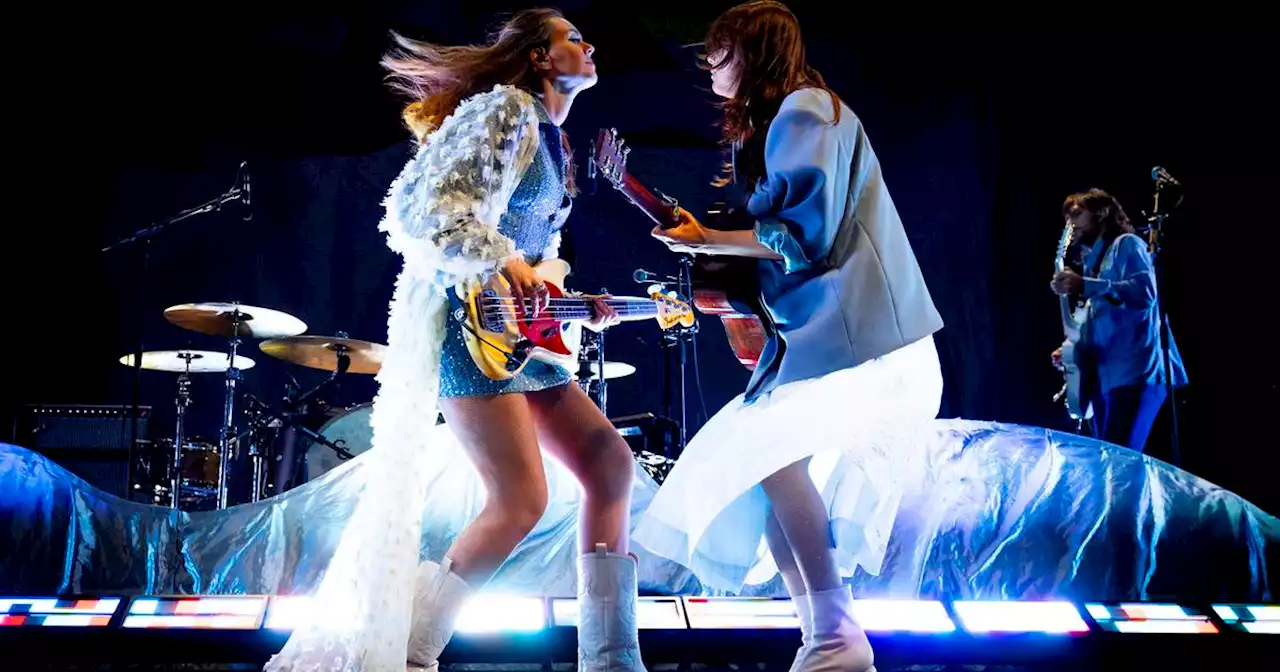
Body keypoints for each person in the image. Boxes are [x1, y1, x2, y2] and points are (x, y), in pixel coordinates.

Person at [264, 9, 647, 672]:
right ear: (537, 57)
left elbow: (535, 265)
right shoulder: (506, 108)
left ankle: (612, 661)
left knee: (609, 467)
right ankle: (412, 652)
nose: (589, 45)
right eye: (572, 38)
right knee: (519, 498)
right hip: (468, 330)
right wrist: (503, 260)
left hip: (514, 337)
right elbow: (417, 206)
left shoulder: (553, 137)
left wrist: (573, 306)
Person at [633, 3, 944, 672]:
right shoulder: (804, 113)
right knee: (768, 469)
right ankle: (828, 637)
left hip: (861, 337)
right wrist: (708, 236)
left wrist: (710, 238)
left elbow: (802, 237)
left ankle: (834, 635)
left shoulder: (803, 110)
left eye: (720, 51)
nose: (710, 65)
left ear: (750, 54)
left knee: (767, 456)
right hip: (838, 337)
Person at [1050, 188, 1187, 452]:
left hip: (1136, 372)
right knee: (1109, 464)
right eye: (1067, 217)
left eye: (1076, 214)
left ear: (1100, 212)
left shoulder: (1127, 244)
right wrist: (1071, 350)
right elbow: (1101, 321)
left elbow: (1145, 294)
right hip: (1107, 378)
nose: (1070, 223)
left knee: (1120, 462)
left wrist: (1086, 284)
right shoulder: (1094, 264)